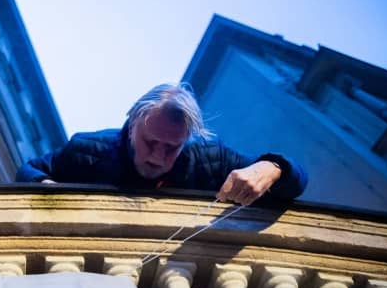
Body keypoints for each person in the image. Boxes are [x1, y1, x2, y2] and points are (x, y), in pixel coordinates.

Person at [16, 83, 307, 204]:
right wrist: (48, 189)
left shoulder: (210, 157)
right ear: (131, 125)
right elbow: (27, 171)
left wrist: (273, 168)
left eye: (172, 147)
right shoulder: (87, 149)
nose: (158, 156)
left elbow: (297, 181)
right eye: (150, 142)